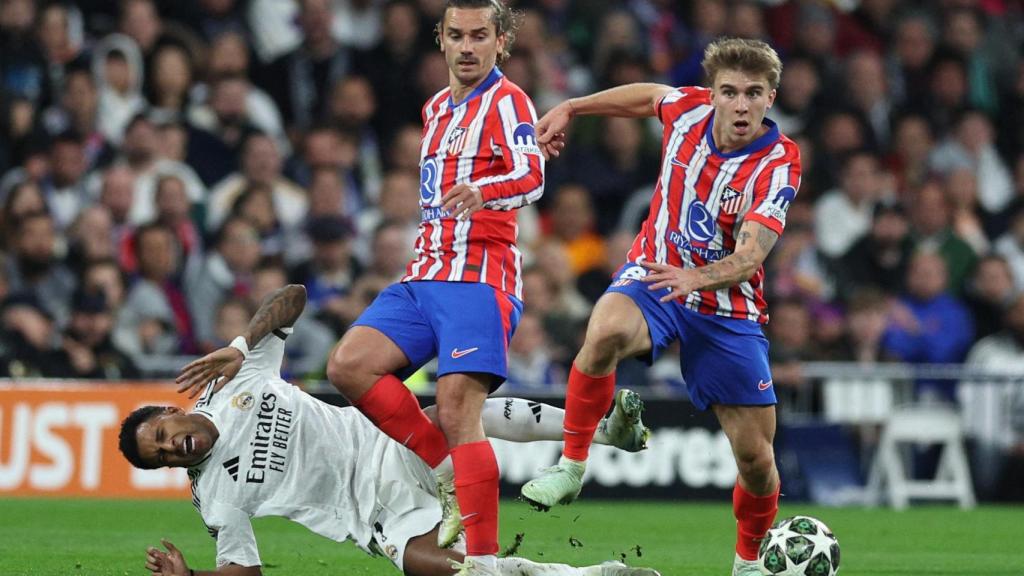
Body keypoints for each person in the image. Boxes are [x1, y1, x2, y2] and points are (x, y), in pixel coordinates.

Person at [120, 284, 656, 576]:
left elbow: (293, 297)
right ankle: (590, 575)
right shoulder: (215, 496)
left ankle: (600, 431)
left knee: (452, 414)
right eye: (161, 458)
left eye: (161, 436)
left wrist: (243, 344)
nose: (171, 449)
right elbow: (245, 572)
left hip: (385, 442)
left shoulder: (236, 379)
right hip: (371, 515)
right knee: (451, 572)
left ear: (169, 410)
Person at [520, 38, 802, 576]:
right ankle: (571, 467)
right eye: (729, 92)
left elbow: (751, 256)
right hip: (657, 272)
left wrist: (695, 277)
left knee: (756, 460)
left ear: (770, 98)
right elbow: (649, 96)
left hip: (726, 308)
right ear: (712, 93)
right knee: (604, 331)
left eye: (753, 93)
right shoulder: (688, 109)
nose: (740, 105)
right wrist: (573, 107)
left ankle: (747, 563)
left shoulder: (778, 162)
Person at [325, 1, 547, 574]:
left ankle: (484, 562)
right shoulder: (435, 108)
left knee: (456, 409)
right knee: (349, 365)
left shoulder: (508, 100)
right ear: (441, 40)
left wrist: (485, 190)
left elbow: (533, 176)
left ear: (501, 42)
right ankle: (447, 473)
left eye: (480, 35)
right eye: (457, 35)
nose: (467, 46)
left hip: (477, 278)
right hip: (423, 274)